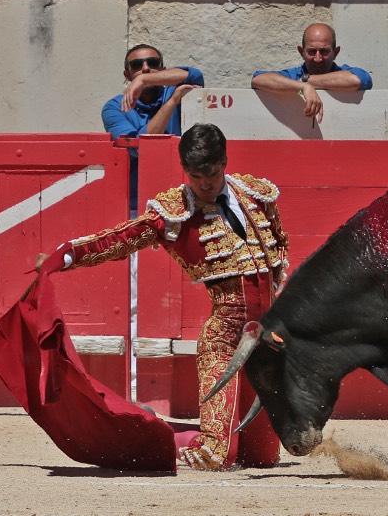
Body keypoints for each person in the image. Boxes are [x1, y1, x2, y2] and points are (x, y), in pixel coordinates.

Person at [36, 123, 289, 471]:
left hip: (266, 344)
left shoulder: (256, 197)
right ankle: (154, 431)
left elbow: (278, 251)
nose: (204, 184)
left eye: (211, 174)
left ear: (225, 163)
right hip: (225, 341)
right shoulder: (174, 213)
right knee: (216, 458)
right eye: (195, 176)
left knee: (262, 458)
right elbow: (121, 239)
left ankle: (174, 427)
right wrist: (66, 256)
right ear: (185, 171)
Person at [102, 44, 204, 212]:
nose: (146, 68)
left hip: (184, 198)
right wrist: (171, 103)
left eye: (153, 62)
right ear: (127, 75)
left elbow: (195, 76)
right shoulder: (114, 107)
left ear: (162, 69)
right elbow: (140, 148)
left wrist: (142, 79)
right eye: (137, 66)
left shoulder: (172, 91)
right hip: (139, 203)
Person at [251, 23, 373, 124]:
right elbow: (258, 79)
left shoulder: (300, 78)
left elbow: (358, 80)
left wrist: (306, 81)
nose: (318, 58)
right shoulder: (293, 75)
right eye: (312, 51)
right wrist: (303, 87)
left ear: (335, 52)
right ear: (301, 52)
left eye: (324, 51)